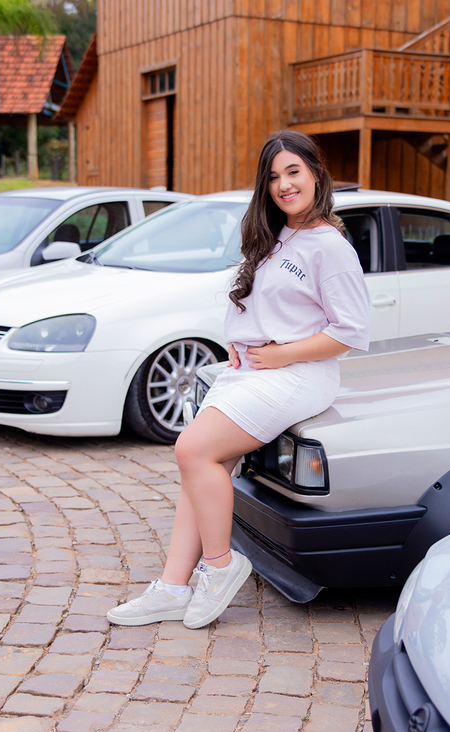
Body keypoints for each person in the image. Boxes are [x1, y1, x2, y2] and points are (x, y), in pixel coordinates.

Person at [107, 130, 371, 629]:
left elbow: (352, 331)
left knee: (191, 449)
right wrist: (244, 336)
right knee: (202, 468)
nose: (284, 185)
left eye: (293, 171)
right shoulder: (279, 236)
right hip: (255, 372)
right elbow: (273, 307)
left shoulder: (328, 247)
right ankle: (171, 587)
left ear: (316, 173)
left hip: (298, 375)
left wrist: (281, 353)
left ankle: (222, 566)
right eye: (273, 177)